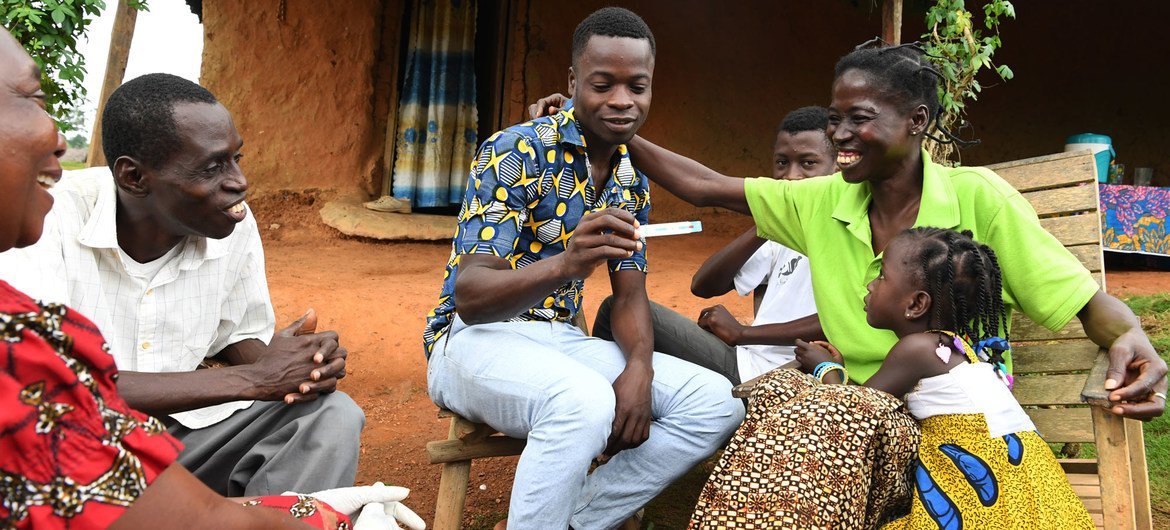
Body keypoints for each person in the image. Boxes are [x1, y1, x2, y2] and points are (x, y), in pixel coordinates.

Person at [0, 25, 422, 530]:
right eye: (211, 168)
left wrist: (296, 365)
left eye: (236, 158)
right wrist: (254, 379)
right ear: (134, 177)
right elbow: (57, 392)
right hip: (80, 446)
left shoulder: (232, 224)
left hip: (188, 440)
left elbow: (238, 335)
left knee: (330, 415)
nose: (238, 182)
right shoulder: (46, 216)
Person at [619, 41, 1168, 416]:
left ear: (917, 121)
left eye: (860, 118)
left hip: (956, 427)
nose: (840, 135)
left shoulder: (978, 199)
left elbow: (1087, 303)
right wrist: (612, 125)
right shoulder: (822, 200)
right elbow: (705, 185)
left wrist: (1130, 336)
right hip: (864, 413)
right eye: (835, 118)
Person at [423, 7, 744, 529]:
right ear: (573, 82)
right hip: (471, 344)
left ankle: (576, 517)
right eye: (602, 84)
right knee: (584, 401)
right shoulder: (516, 151)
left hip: (559, 343)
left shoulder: (630, 177)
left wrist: (640, 366)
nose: (622, 100)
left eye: (637, 86)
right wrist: (567, 263)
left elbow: (630, 292)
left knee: (714, 404)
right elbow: (473, 297)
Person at [693, 227, 1094, 528]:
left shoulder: (917, 349)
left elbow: (857, 412)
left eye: (882, 276)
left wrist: (824, 368)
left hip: (984, 493)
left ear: (916, 304)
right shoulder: (953, 347)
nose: (870, 284)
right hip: (1030, 486)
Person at [592, 106, 834, 384]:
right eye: (782, 163)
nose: (791, 176)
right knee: (628, 332)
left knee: (616, 310)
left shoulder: (844, 229)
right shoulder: (785, 232)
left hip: (768, 373)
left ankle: (602, 398)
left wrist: (744, 334)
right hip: (744, 355)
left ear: (838, 166)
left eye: (808, 163)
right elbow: (704, 285)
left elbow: (838, 319)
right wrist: (770, 221)